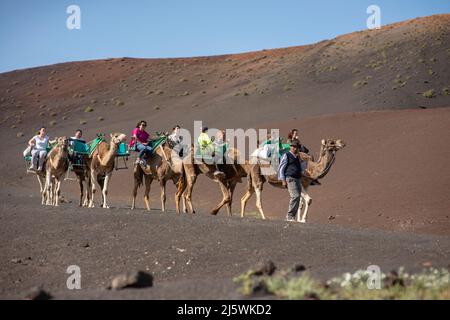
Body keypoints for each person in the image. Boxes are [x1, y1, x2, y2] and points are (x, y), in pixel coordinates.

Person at [278, 139, 304, 222]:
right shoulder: (286, 155)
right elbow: (281, 168)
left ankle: (292, 216)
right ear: (291, 147)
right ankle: (289, 216)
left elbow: (302, 167)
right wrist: (282, 180)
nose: (295, 149)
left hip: (298, 179)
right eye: (294, 147)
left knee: (298, 197)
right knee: (295, 196)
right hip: (290, 178)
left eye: (297, 147)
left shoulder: (297, 157)